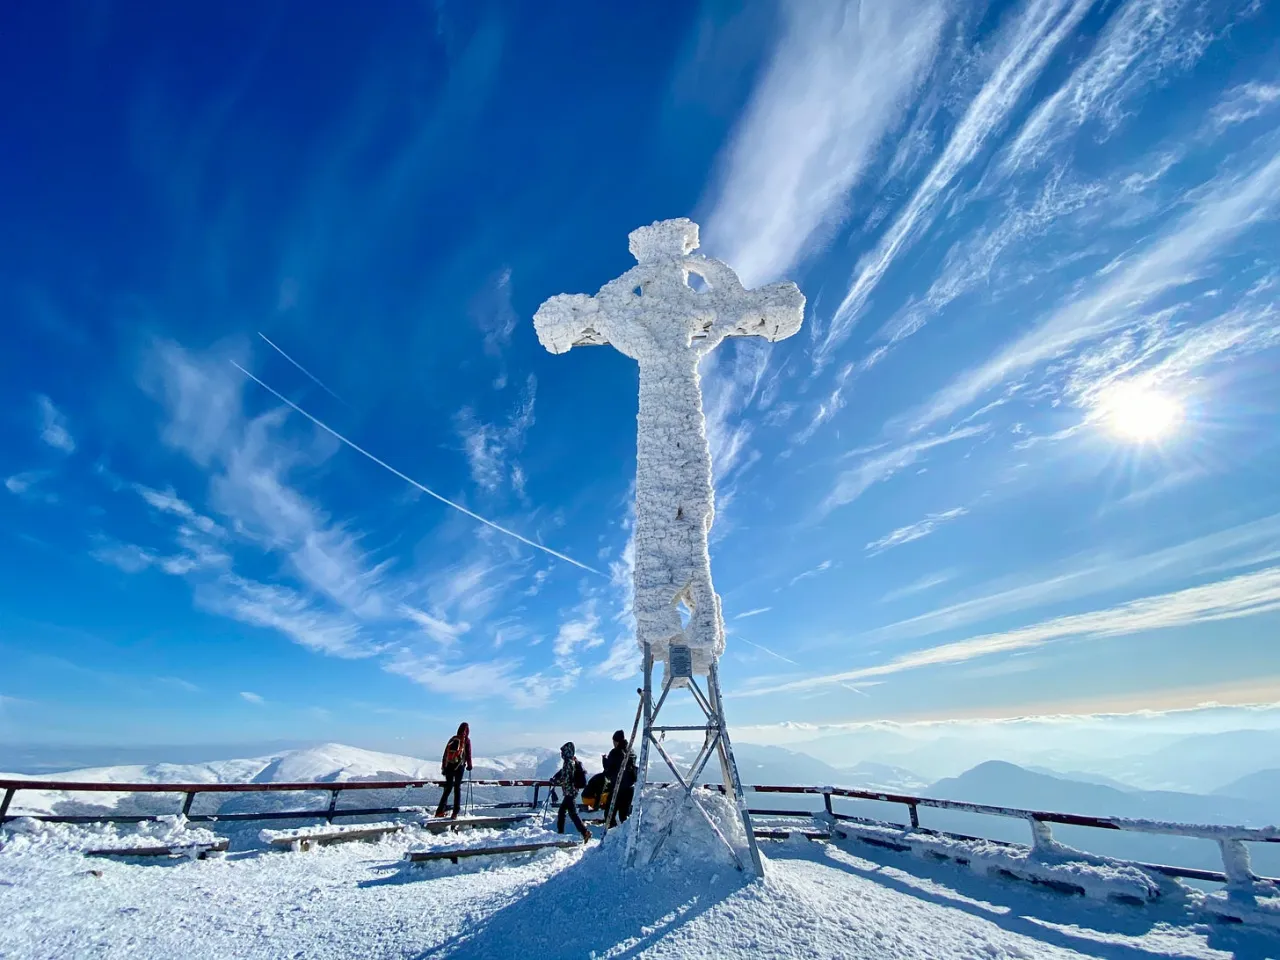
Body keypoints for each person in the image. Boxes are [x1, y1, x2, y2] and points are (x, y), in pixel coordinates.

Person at [550, 741, 590, 842]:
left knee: (569, 813)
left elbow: (566, 778)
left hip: (570, 792)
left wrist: (556, 781)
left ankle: (583, 832)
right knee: (566, 812)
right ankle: (582, 832)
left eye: (563, 752)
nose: (562, 754)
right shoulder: (572, 761)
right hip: (572, 791)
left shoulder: (568, 763)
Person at [435, 722, 473, 819]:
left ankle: (439, 811)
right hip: (459, 767)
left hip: (449, 767)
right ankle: (455, 813)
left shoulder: (452, 739)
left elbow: (445, 754)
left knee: (448, 788)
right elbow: (468, 754)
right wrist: (469, 765)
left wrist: (444, 768)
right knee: (457, 788)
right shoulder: (466, 741)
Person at [602, 729, 637, 825]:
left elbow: (609, 771)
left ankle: (612, 835)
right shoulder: (631, 751)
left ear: (616, 741)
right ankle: (625, 836)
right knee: (624, 815)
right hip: (629, 788)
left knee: (609, 814)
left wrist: (604, 760)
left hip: (617, 788)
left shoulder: (615, 753)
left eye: (614, 741)